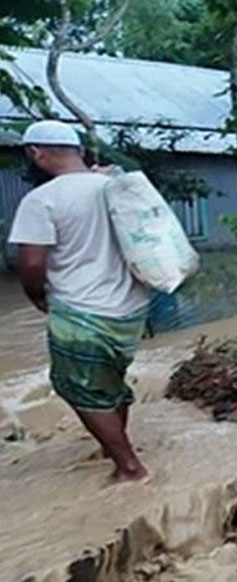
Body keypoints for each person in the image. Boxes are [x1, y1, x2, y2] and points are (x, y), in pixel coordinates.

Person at [9, 120, 152, 482]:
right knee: (111, 380)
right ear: (81, 152)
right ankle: (113, 445)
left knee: (76, 387)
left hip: (81, 308)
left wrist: (38, 297)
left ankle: (129, 467)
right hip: (131, 310)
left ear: (36, 153)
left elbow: (31, 262)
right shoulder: (115, 187)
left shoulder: (42, 200)